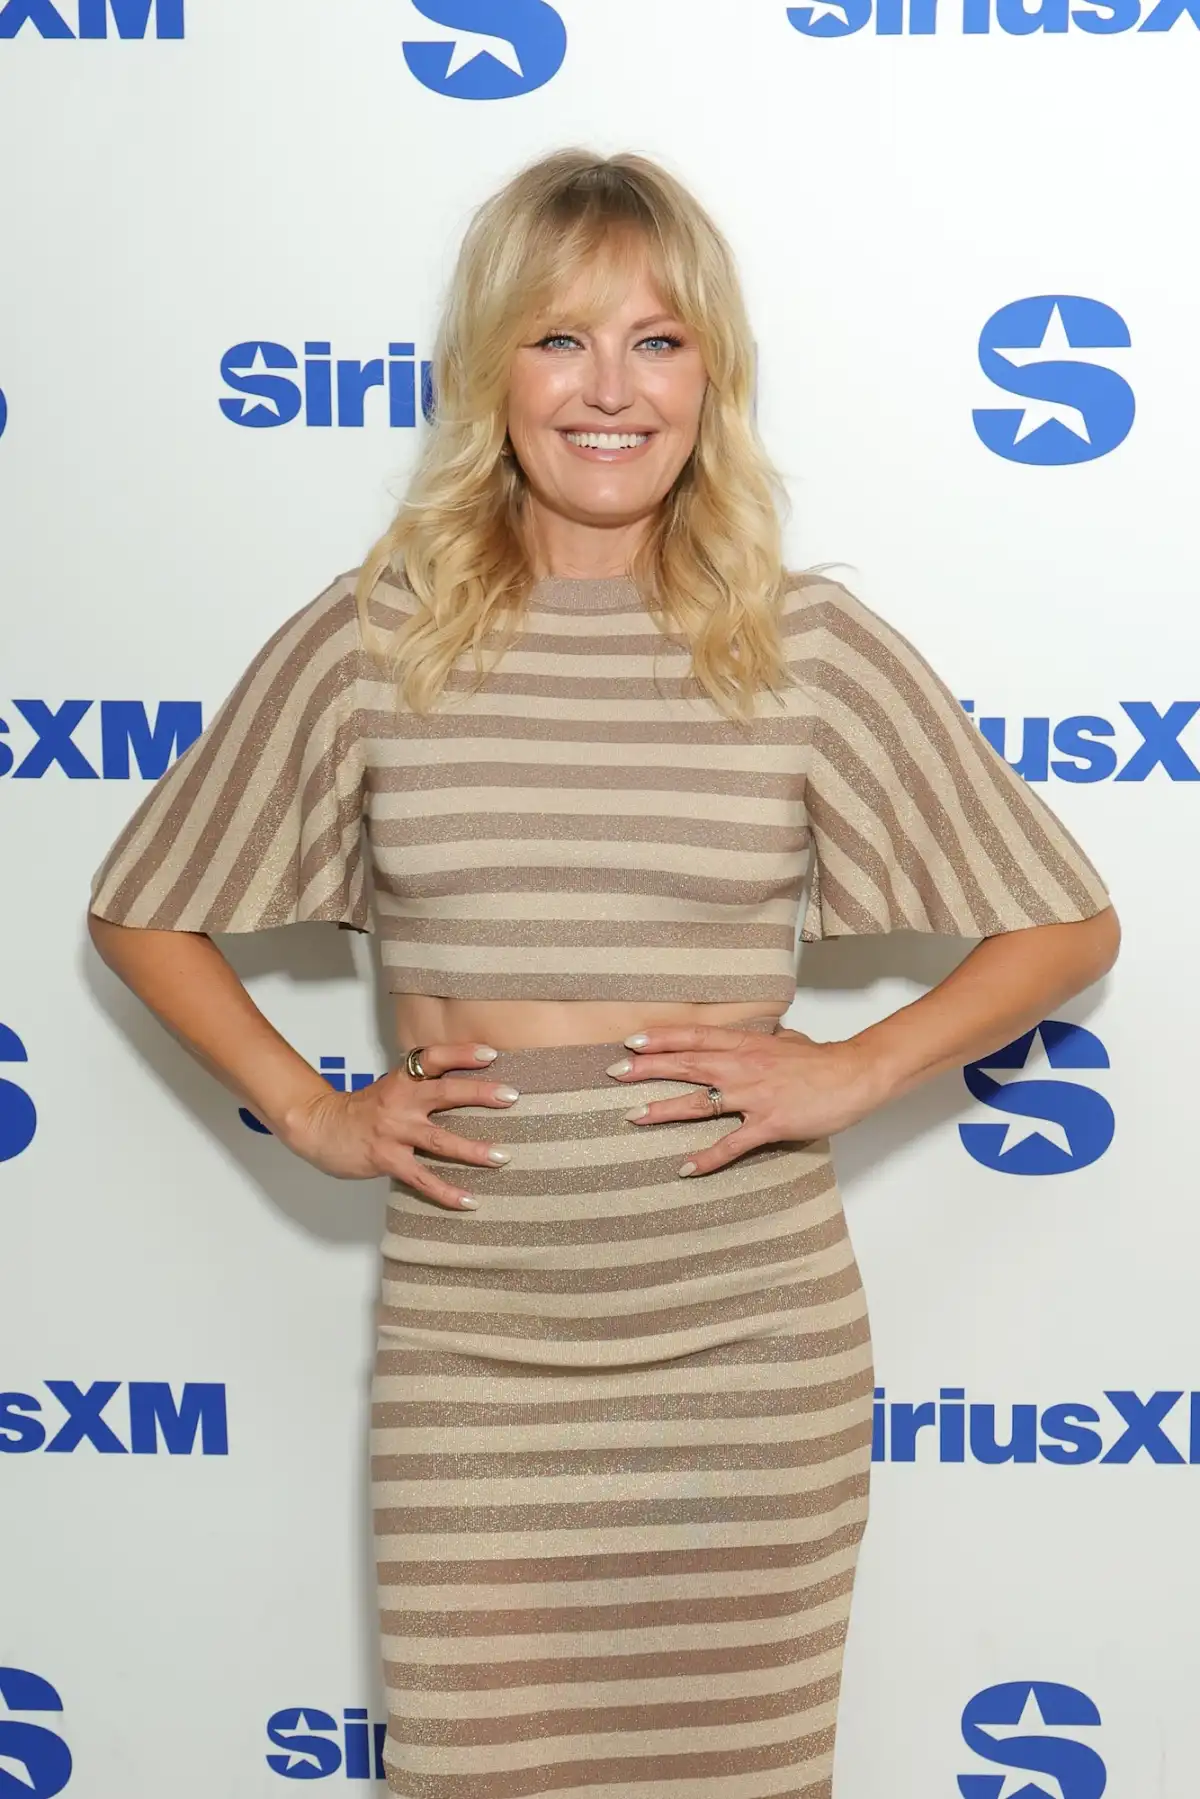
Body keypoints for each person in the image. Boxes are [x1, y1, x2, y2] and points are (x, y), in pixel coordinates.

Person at [88, 149, 1119, 1799]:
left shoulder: (796, 644)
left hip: (746, 1344)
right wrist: (314, 1109)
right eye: (560, 339)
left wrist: (856, 1070)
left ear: (713, 374)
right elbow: (145, 905)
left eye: (658, 341)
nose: (611, 389)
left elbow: (1065, 924)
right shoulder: (378, 638)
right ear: (490, 368)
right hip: (478, 1350)